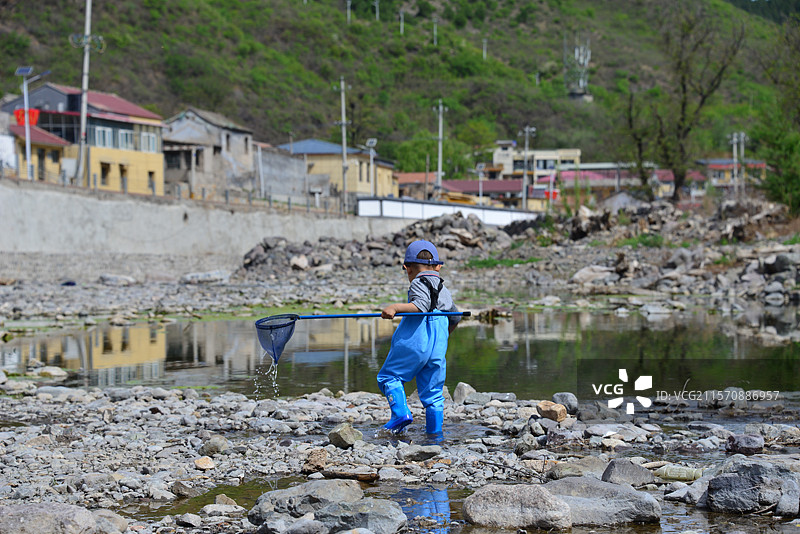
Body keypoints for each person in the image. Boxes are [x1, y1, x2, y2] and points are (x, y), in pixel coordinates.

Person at [378, 240, 460, 436]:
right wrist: (442, 337)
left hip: (415, 342)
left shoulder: (418, 281)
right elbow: (455, 317)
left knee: (389, 377)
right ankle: (435, 434)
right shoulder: (444, 289)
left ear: (408, 268)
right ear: (438, 267)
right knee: (433, 394)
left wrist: (395, 307)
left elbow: (421, 306)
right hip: (438, 347)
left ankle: (400, 414)